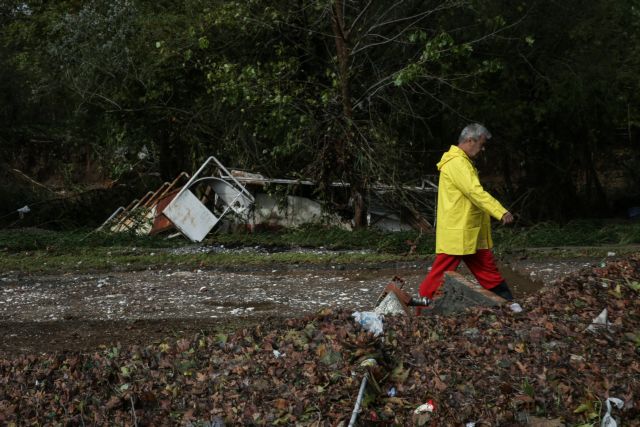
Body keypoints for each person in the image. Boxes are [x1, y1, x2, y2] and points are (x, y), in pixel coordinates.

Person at [418, 123, 519, 310]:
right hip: (459, 232)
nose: (483, 148)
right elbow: (474, 192)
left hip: (468, 232)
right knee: (440, 275)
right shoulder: (457, 163)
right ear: (470, 140)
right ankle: (420, 308)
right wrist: (500, 211)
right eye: (481, 144)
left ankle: (509, 305)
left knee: (487, 271)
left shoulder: (461, 161)